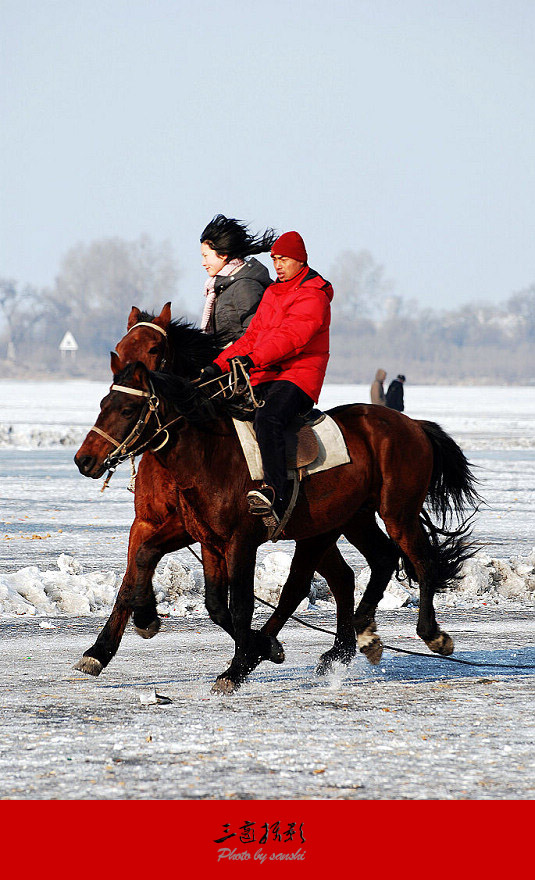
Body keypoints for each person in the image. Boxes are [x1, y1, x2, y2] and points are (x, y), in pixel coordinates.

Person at [199, 230, 333, 525]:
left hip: (299, 376)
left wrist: (252, 359)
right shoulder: (273, 292)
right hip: (268, 373)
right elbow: (252, 337)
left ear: (300, 260)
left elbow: (292, 338)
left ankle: (276, 493)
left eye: (283, 259)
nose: (278, 266)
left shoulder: (313, 294)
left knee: (268, 418)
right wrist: (218, 366)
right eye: (274, 260)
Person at [200, 214, 277, 348]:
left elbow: (255, 335)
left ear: (223, 255)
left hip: (241, 365)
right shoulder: (222, 288)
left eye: (206, 256)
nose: (203, 263)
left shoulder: (244, 286)